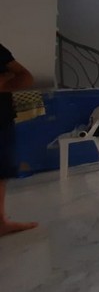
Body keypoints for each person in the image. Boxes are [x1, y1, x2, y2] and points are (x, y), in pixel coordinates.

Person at [0, 42, 37, 236]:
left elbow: (26, 77)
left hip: (1, 119)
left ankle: (1, 221)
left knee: (1, 170)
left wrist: (5, 83)